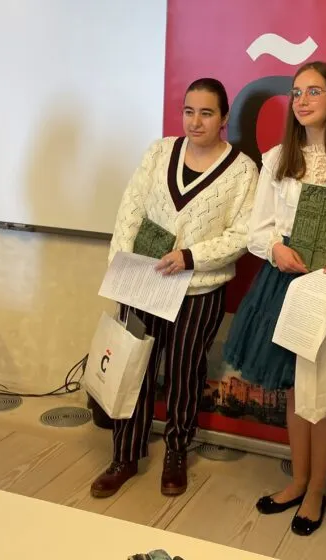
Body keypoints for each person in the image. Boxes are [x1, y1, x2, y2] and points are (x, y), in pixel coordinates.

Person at [223, 61, 326, 536]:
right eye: (296, 93)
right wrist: (275, 248)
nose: (303, 100)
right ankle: (297, 480)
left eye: (314, 91)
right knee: (295, 388)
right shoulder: (275, 158)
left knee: (324, 394)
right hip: (284, 280)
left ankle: (317, 490)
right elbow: (258, 231)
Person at [91, 78, 259, 499]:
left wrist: (191, 256)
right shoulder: (159, 151)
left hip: (196, 289)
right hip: (143, 280)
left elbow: (243, 234)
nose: (195, 121)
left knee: (185, 375)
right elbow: (130, 207)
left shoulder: (242, 170)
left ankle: (176, 453)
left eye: (206, 113)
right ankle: (124, 455)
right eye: (189, 111)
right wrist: (121, 266)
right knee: (135, 368)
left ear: (223, 119)